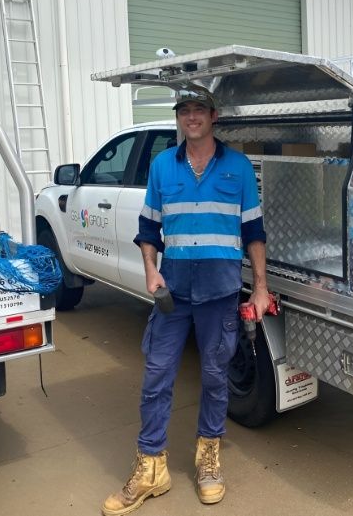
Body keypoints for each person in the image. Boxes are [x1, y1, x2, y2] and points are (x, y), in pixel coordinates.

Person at [102, 86, 268, 516]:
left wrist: (262, 287)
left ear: (214, 117)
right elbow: (147, 227)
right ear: (179, 118)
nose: (191, 117)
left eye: (199, 110)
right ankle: (151, 467)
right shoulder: (162, 166)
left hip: (220, 290)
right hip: (172, 292)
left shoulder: (238, 168)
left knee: (215, 376)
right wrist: (151, 268)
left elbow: (254, 233)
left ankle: (208, 458)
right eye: (184, 111)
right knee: (156, 374)